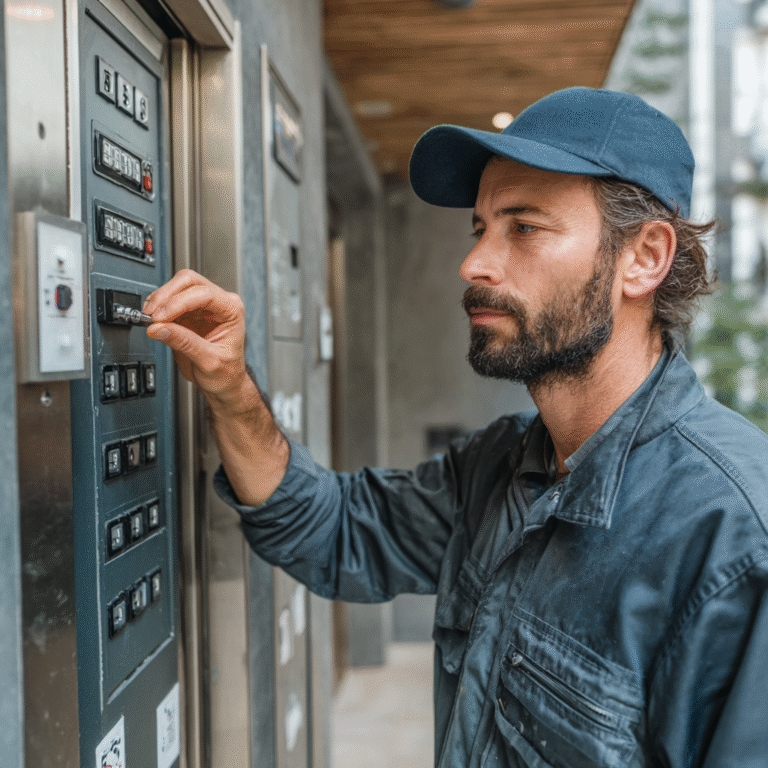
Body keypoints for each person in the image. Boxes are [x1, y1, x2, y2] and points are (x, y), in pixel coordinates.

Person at [143, 87, 768, 768]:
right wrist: (232, 389)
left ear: (644, 257)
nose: (473, 264)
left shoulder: (735, 535)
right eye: (481, 228)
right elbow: (333, 529)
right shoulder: (499, 465)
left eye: (524, 227)